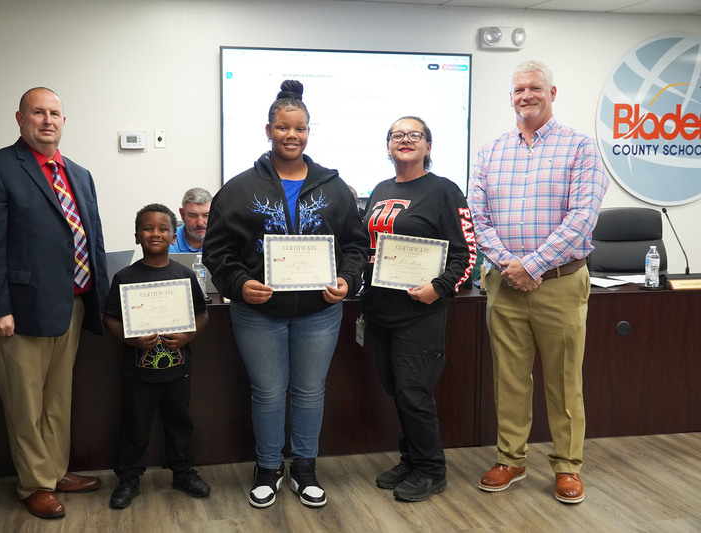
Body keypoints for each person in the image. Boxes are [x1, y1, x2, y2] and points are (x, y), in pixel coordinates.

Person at [203, 80, 369, 509]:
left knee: (311, 391)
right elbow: (217, 252)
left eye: (299, 128)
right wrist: (239, 285)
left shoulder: (334, 187)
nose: (291, 135)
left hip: (320, 310)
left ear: (309, 131)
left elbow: (355, 246)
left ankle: (306, 468)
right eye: (282, 127)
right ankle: (267, 468)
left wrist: (348, 281)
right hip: (258, 312)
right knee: (269, 392)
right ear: (268, 130)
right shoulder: (238, 189)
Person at [0, 87, 109, 519]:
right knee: (24, 402)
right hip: (20, 310)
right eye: (38, 113)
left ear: (64, 121)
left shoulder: (78, 173)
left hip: (72, 304)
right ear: (20, 118)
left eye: (55, 113)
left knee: (57, 399)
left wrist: (99, 296)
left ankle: (55, 470)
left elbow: (91, 238)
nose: (48, 120)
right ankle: (34, 483)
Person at [468, 60, 609, 504]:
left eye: (534, 88)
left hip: (561, 283)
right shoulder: (490, 152)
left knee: (565, 380)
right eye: (518, 89)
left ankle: (567, 467)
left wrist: (534, 264)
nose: (525, 95)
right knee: (509, 378)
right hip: (504, 283)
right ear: (510, 96)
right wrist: (512, 264)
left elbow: (582, 218)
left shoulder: (580, 149)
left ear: (552, 92)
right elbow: (478, 217)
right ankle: (511, 459)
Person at [361, 116, 476, 502]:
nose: (405, 140)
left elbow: (466, 254)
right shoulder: (379, 189)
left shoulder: (444, 191)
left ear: (428, 146)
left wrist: (439, 288)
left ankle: (432, 469)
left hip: (420, 312)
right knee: (397, 390)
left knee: (414, 392)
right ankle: (411, 459)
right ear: (388, 145)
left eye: (415, 135)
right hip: (379, 311)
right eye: (397, 134)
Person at [104, 203, 211, 509]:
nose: (155, 234)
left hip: (178, 370)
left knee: (180, 421)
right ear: (137, 236)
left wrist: (188, 335)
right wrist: (132, 338)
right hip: (137, 371)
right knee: (134, 424)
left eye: (163, 229)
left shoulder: (184, 275)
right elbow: (109, 318)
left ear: (172, 233)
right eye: (148, 228)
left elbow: (202, 315)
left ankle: (182, 472)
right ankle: (128, 477)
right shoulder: (125, 277)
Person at [169, 187, 212, 253]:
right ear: (182, 214)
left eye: (206, 215)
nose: (200, 223)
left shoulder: (225, 241)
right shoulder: (167, 241)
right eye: (193, 216)